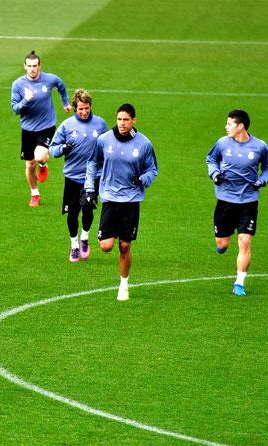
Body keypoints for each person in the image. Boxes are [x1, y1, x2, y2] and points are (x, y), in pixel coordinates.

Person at [84, 104, 158, 301]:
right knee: (106, 246)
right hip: (109, 197)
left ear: (133, 120)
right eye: (119, 119)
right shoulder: (104, 140)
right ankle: (113, 233)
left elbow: (152, 170)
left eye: (126, 120)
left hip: (131, 200)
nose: (122, 123)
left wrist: (143, 180)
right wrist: (89, 189)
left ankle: (124, 284)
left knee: (125, 246)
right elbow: (92, 163)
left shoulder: (144, 144)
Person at [206, 109, 268, 296]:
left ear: (240, 126)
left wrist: (262, 180)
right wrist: (214, 174)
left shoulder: (260, 147)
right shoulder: (222, 143)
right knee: (222, 243)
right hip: (225, 200)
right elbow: (211, 159)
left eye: (229, 124)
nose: (226, 127)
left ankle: (239, 282)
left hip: (248, 201)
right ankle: (222, 245)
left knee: (245, 241)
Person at [49, 88, 108, 262]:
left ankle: (85, 236)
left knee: (88, 208)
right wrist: (62, 148)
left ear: (90, 106)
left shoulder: (100, 124)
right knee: (72, 213)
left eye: (86, 108)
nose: (84, 112)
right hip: (72, 177)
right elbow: (52, 149)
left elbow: (107, 147)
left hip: (92, 177)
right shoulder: (67, 126)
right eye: (80, 109)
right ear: (75, 108)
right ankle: (74, 244)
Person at [11, 50, 71, 207]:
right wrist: (26, 100)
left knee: (39, 157)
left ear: (39, 66)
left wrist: (65, 103)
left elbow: (61, 85)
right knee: (30, 165)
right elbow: (15, 109)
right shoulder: (18, 85)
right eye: (29, 66)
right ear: (24, 66)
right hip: (27, 129)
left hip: (47, 126)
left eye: (35, 66)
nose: (32, 69)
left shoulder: (49, 79)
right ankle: (34, 193)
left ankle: (43, 165)